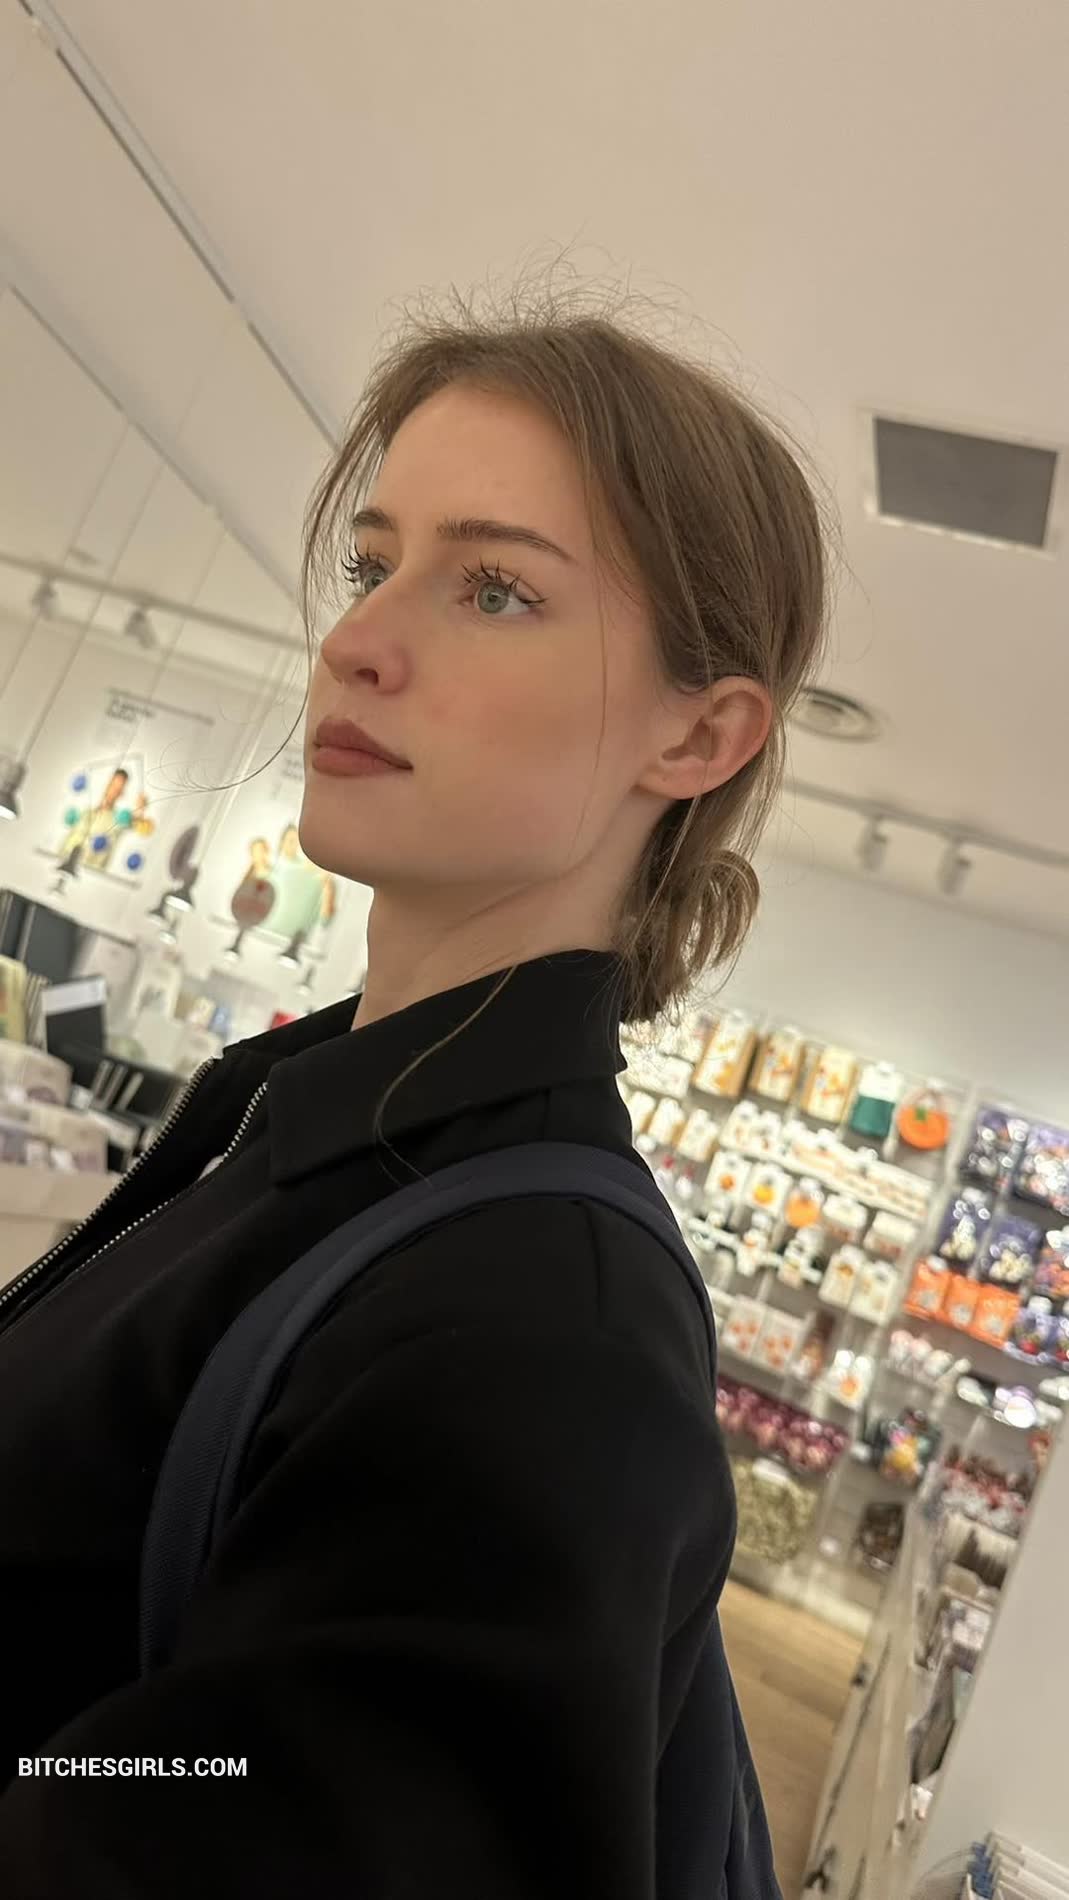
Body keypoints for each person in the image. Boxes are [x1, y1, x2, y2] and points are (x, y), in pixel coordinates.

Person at [0, 292, 826, 1896]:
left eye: (496, 588)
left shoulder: (543, 1327)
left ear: (699, 733)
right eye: (372, 565)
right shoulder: (310, 1124)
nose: (355, 640)